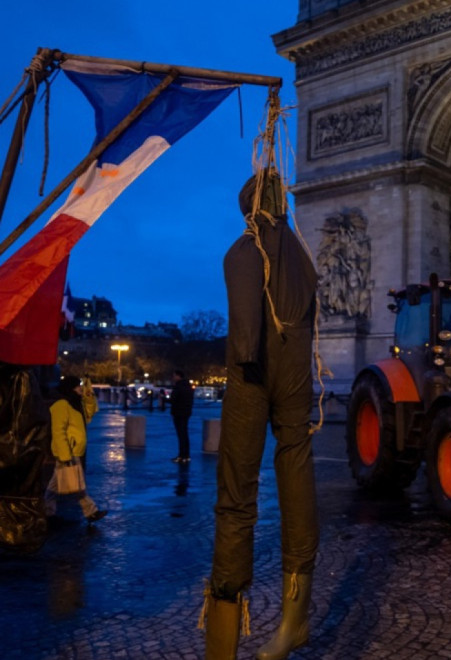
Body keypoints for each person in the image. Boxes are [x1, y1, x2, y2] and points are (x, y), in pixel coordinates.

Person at [200, 169, 319, 660]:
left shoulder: (244, 250)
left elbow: (246, 335)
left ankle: (223, 627)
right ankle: (295, 621)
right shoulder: (304, 256)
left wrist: (248, 357)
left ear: (249, 206)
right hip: (296, 376)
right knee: (296, 475)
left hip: (252, 377)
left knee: (236, 497)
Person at [45, 376, 108, 524]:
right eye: (78, 386)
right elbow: (58, 432)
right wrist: (65, 455)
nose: (80, 388)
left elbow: (90, 413)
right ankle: (91, 512)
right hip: (68, 452)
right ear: (70, 388)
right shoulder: (61, 405)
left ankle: (47, 512)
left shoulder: (75, 404)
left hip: (74, 451)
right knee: (77, 484)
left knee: (55, 486)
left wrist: (88, 395)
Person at [170, 370, 194, 463]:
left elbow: (173, 400)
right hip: (186, 412)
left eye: (174, 376)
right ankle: (186, 455)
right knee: (185, 434)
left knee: (181, 435)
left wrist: (164, 398)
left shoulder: (178, 387)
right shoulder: (188, 386)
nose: (173, 378)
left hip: (178, 412)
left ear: (178, 376)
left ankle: (181, 455)